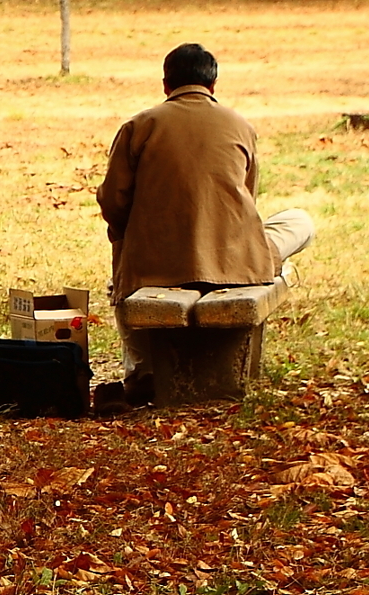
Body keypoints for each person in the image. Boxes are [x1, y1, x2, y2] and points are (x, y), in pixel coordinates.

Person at [96, 42, 314, 403]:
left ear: (166, 85)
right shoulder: (241, 125)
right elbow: (248, 196)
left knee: (119, 278)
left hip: (156, 264)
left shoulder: (139, 125)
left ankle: (142, 372)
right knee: (298, 220)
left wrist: (128, 239)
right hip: (236, 259)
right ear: (212, 85)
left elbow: (113, 200)